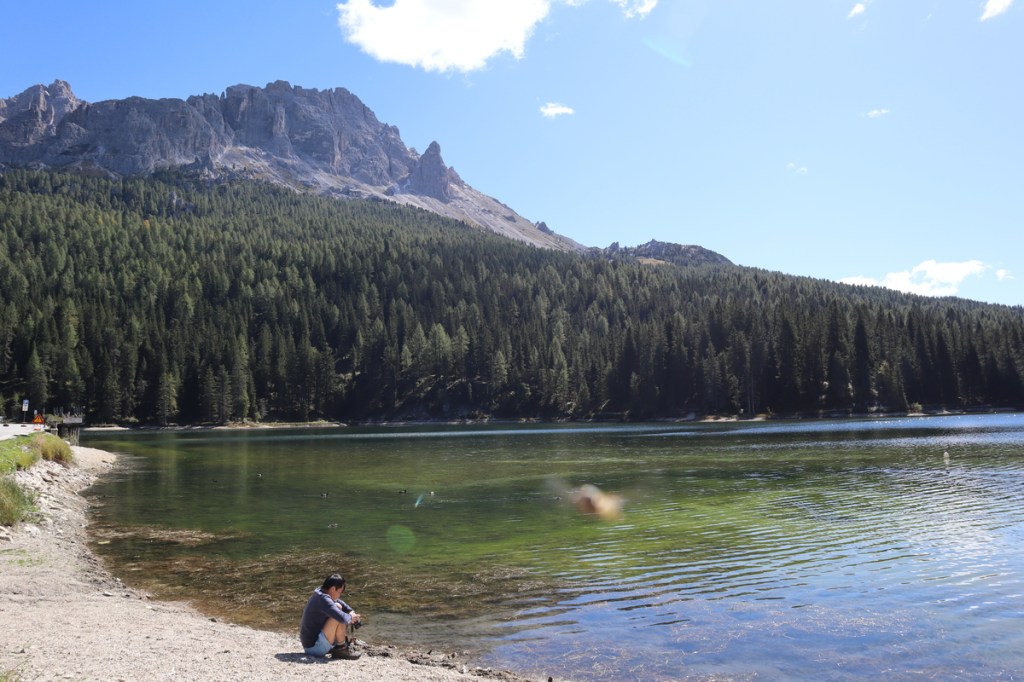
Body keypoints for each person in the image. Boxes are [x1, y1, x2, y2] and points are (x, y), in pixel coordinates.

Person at [299, 573, 363, 660]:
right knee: (339, 616)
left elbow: (339, 602)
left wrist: (350, 611)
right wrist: (351, 618)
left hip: (311, 644)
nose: (340, 595)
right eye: (340, 592)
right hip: (314, 648)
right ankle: (341, 649)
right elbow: (342, 618)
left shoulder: (320, 592)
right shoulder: (323, 599)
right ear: (333, 589)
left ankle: (337, 647)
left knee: (338, 607)